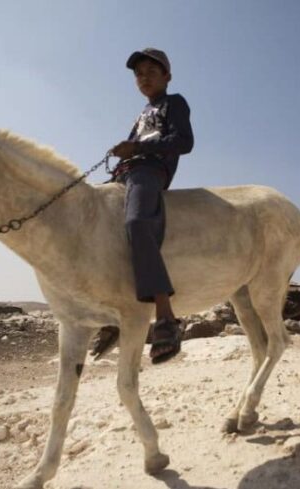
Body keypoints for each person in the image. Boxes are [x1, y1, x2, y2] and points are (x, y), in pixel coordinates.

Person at [93, 48, 194, 365]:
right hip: (125, 174)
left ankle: (165, 318)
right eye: (138, 73)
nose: (144, 77)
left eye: (152, 71)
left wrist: (135, 148)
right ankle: (111, 317)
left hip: (149, 171)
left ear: (167, 76)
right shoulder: (141, 114)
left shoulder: (174, 102)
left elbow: (184, 142)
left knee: (137, 223)